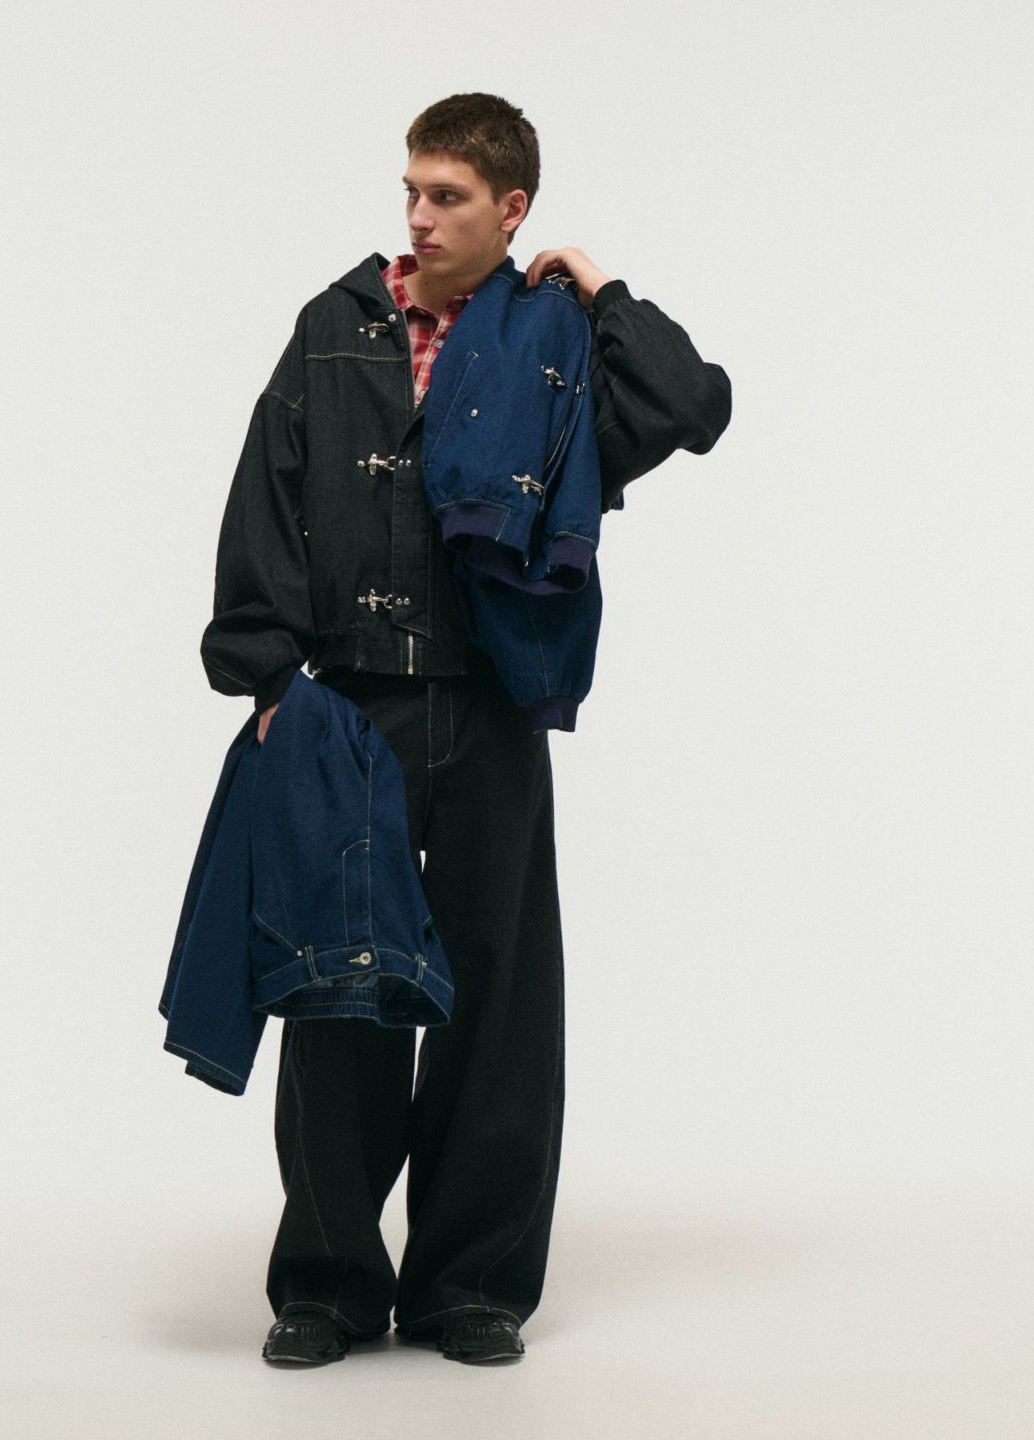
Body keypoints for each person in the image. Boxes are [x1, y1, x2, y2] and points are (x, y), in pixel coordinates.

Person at [198, 92, 733, 1366]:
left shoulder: (554, 338)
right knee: (341, 994)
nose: (421, 217)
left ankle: (469, 1286)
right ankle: (328, 1285)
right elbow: (267, 488)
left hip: (493, 710)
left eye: (448, 196)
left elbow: (688, 405)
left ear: (512, 209)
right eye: (412, 191)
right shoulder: (335, 328)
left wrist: (599, 287)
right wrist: (269, 680)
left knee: (497, 1002)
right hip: (351, 708)